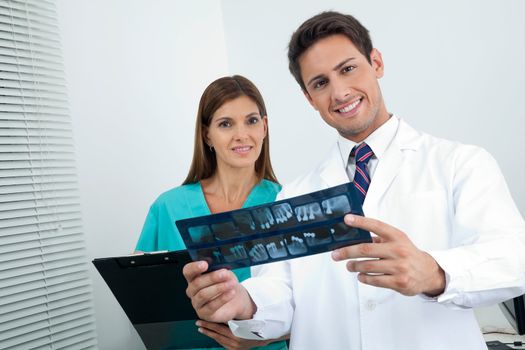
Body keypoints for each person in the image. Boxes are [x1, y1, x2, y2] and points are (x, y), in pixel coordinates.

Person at [182, 11, 525, 349]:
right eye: (320, 83)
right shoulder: (295, 193)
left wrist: (435, 273)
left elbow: (514, 260)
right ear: (309, 98)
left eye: (347, 69)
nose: (340, 91)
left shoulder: (460, 163)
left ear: (376, 63)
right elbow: (279, 292)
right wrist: (245, 303)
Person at [136, 75, 287, 350]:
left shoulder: (287, 204)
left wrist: (264, 335)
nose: (242, 134)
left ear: (264, 127)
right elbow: (145, 304)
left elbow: (314, 307)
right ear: (207, 134)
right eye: (226, 124)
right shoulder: (167, 207)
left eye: (251, 121)